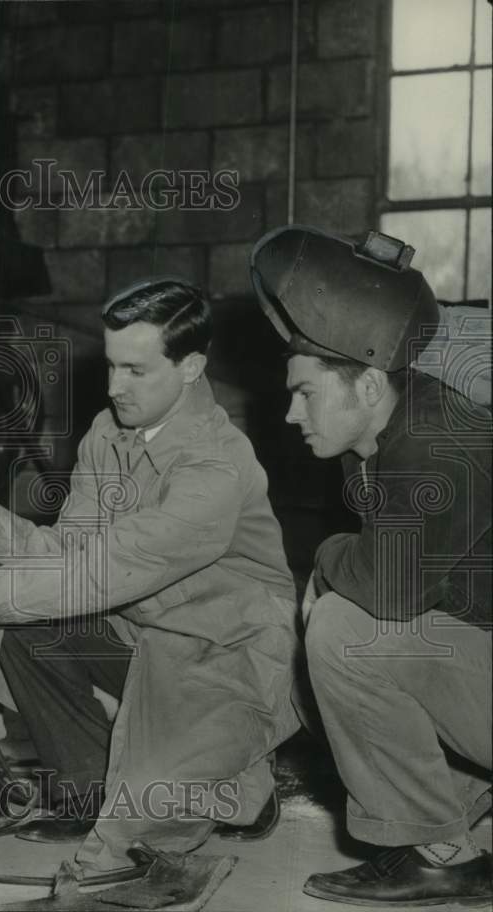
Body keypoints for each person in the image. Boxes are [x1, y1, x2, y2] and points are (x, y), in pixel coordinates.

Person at [0, 277, 300, 875]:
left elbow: (89, 576)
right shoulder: (109, 432)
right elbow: (70, 554)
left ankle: (241, 785)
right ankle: (85, 790)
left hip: (224, 653)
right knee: (31, 628)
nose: (113, 387)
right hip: (142, 631)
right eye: (111, 366)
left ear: (190, 368)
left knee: (141, 835)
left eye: (135, 370)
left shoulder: (216, 466)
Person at [251, 225, 492, 907]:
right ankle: (452, 810)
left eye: (305, 393)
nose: (290, 412)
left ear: (366, 386)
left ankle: (441, 855)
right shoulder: (380, 440)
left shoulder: (438, 445)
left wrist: (325, 562)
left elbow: (387, 589)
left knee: (342, 632)